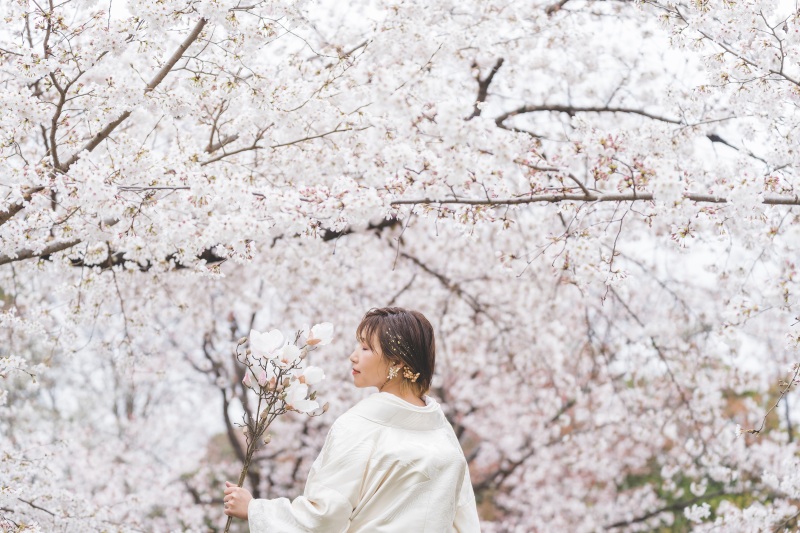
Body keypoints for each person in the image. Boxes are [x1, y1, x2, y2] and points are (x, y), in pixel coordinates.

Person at [223, 306, 481, 532]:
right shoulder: (439, 432)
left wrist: (255, 510)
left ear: (398, 362)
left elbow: (324, 517)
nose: (353, 355)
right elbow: (465, 519)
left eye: (366, 348)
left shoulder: (362, 425)